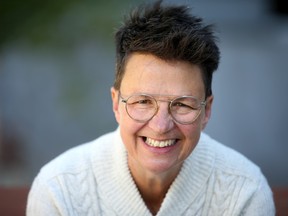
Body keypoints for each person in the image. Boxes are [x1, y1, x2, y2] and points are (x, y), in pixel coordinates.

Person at [26, 1, 275, 215]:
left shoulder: (244, 192)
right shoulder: (59, 190)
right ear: (116, 103)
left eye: (182, 105)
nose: (161, 125)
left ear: (206, 111)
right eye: (143, 102)